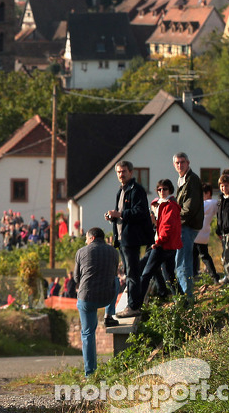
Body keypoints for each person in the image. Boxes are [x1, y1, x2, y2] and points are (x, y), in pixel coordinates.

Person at [121, 179, 182, 316]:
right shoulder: (164, 205)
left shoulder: (169, 205)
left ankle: (136, 305)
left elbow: (167, 227)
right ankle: (183, 300)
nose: (162, 192)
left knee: (145, 274)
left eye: (165, 189)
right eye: (159, 189)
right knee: (169, 276)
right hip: (169, 245)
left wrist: (158, 241)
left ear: (170, 190)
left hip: (163, 245)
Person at [105, 160, 152, 314]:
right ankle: (132, 305)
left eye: (124, 171)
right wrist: (113, 217)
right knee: (129, 271)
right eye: (118, 172)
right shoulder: (121, 190)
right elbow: (122, 213)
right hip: (121, 237)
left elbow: (140, 212)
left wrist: (119, 214)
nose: (121, 174)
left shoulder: (136, 190)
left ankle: (133, 306)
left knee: (132, 272)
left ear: (131, 172)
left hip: (131, 238)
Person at [74, 227, 119, 376]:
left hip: (86, 298)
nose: (85, 241)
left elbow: (76, 278)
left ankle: (90, 373)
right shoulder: (114, 252)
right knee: (116, 280)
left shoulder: (82, 251)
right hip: (107, 297)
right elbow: (113, 274)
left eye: (86, 238)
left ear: (92, 238)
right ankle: (109, 315)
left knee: (88, 334)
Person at [173, 152, 203, 303]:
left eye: (182, 162)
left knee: (183, 263)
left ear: (188, 162)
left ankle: (188, 297)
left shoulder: (192, 180)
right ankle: (186, 295)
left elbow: (190, 207)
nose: (180, 165)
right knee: (181, 262)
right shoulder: (181, 179)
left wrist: (174, 218)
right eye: (177, 163)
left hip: (187, 225)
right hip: (184, 225)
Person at [193, 183, 220, 283]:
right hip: (203, 234)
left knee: (203, 256)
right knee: (198, 255)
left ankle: (214, 276)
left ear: (208, 193)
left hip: (197, 233)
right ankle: (197, 274)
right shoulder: (214, 203)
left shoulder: (207, 203)